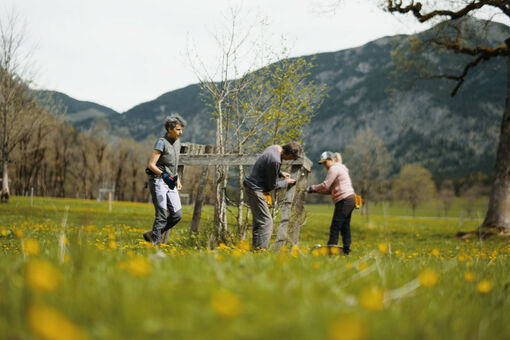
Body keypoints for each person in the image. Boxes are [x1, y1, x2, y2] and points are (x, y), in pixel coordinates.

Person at [244, 142, 303, 250]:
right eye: (293, 158)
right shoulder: (276, 160)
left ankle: (256, 250)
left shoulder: (273, 148)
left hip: (251, 186)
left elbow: (267, 164)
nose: (291, 160)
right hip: (256, 189)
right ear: (289, 154)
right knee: (267, 222)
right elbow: (272, 186)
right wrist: (286, 182)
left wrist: (280, 173)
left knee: (259, 222)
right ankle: (261, 251)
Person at [143, 113, 186, 245]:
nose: (181, 132)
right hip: (158, 181)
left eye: (181, 129)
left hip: (171, 182)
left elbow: (174, 163)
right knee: (161, 216)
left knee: (177, 215)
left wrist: (177, 179)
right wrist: (164, 175)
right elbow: (151, 165)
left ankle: (151, 234)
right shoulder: (161, 142)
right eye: (178, 129)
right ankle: (155, 246)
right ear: (169, 129)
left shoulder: (177, 143)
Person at [306, 151, 356, 255]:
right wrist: (314, 191)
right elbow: (329, 190)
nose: (324, 165)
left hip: (344, 200)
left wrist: (312, 188)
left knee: (335, 226)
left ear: (331, 160)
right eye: (323, 163)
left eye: (325, 162)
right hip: (350, 199)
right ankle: (346, 251)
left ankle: (330, 251)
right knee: (345, 226)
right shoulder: (340, 168)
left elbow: (325, 185)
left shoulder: (334, 168)